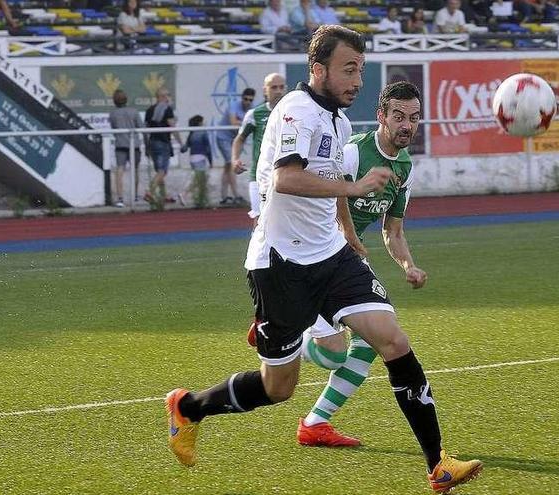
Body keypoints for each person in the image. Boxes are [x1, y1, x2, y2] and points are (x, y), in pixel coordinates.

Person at [164, 25, 483, 493]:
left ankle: (438, 464)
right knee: (280, 388)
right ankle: (188, 407)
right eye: (348, 69)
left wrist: (349, 238)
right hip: (281, 266)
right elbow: (289, 179)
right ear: (318, 69)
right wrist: (354, 188)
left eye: (361, 69)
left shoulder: (337, 121)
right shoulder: (297, 111)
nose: (357, 80)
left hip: (332, 257)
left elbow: (330, 188)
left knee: (392, 341)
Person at [293, 81, 431, 450]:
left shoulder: (404, 167)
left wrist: (408, 265)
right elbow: (331, 196)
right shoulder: (354, 153)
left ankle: (315, 424)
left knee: (374, 341)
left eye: (414, 118)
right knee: (333, 353)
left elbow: (393, 230)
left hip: (345, 260)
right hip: (315, 256)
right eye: (399, 116)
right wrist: (349, 236)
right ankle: (279, 332)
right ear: (381, 116)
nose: (407, 125)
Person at [231, 73, 286, 221]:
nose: (278, 91)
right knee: (260, 220)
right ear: (265, 90)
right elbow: (240, 138)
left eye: (281, 87)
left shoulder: (293, 112)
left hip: (286, 176)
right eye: (274, 87)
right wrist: (235, 159)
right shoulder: (255, 114)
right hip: (259, 176)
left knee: (285, 221)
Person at [144, 87, 182, 209]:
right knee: (162, 171)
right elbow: (172, 127)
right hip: (163, 142)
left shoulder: (149, 110)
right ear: (162, 97)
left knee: (159, 172)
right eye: (167, 95)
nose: (168, 98)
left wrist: (147, 146)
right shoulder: (167, 109)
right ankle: (150, 191)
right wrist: (181, 143)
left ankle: (163, 195)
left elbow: (145, 129)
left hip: (153, 142)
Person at [216, 87, 254, 206]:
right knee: (232, 164)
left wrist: (244, 121)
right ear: (242, 98)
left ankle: (224, 197)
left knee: (227, 166)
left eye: (250, 100)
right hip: (223, 137)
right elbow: (233, 122)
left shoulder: (252, 109)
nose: (247, 101)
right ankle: (236, 195)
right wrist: (247, 121)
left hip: (236, 139)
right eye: (245, 99)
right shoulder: (234, 105)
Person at [108, 89, 144, 208]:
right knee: (135, 169)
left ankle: (120, 199)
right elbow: (141, 127)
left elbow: (114, 129)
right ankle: (135, 196)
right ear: (126, 99)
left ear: (114, 101)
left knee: (119, 170)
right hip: (134, 145)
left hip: (120, 144)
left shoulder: (112, 114)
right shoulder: (134, 111)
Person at [180, 115, 213, 208]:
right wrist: (211, 161)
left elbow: (185, 148)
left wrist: (182, 147)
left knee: (199, 180)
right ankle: (184, 194)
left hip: (192, 158)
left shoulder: (192, 133)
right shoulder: (203, 132)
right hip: (200, 158)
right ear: (199, 123)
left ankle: (200, 199)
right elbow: (208, 148)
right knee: (197, 180)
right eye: (203, 121)